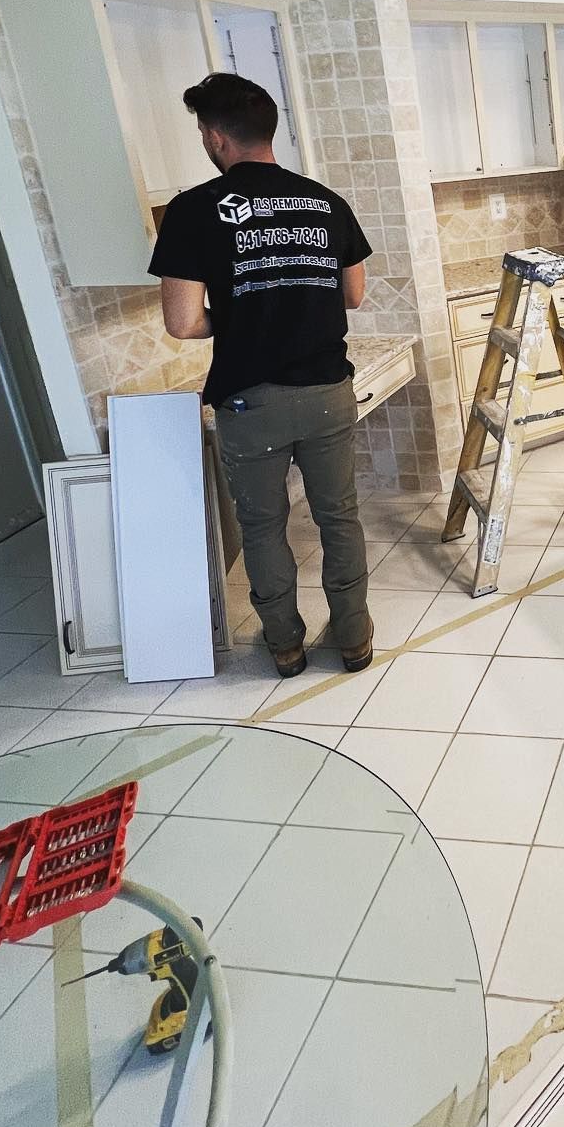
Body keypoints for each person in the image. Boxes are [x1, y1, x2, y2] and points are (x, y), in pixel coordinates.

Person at [148, 72, 374, 680]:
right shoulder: (325, 202)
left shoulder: (192, 210)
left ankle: (285, 645)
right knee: (339, 517)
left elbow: (182, 322)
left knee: (263, 526)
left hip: (250, 403)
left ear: (215, 137)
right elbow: (353, 295)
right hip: (328, 392)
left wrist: (243, 315)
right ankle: (354, 638)